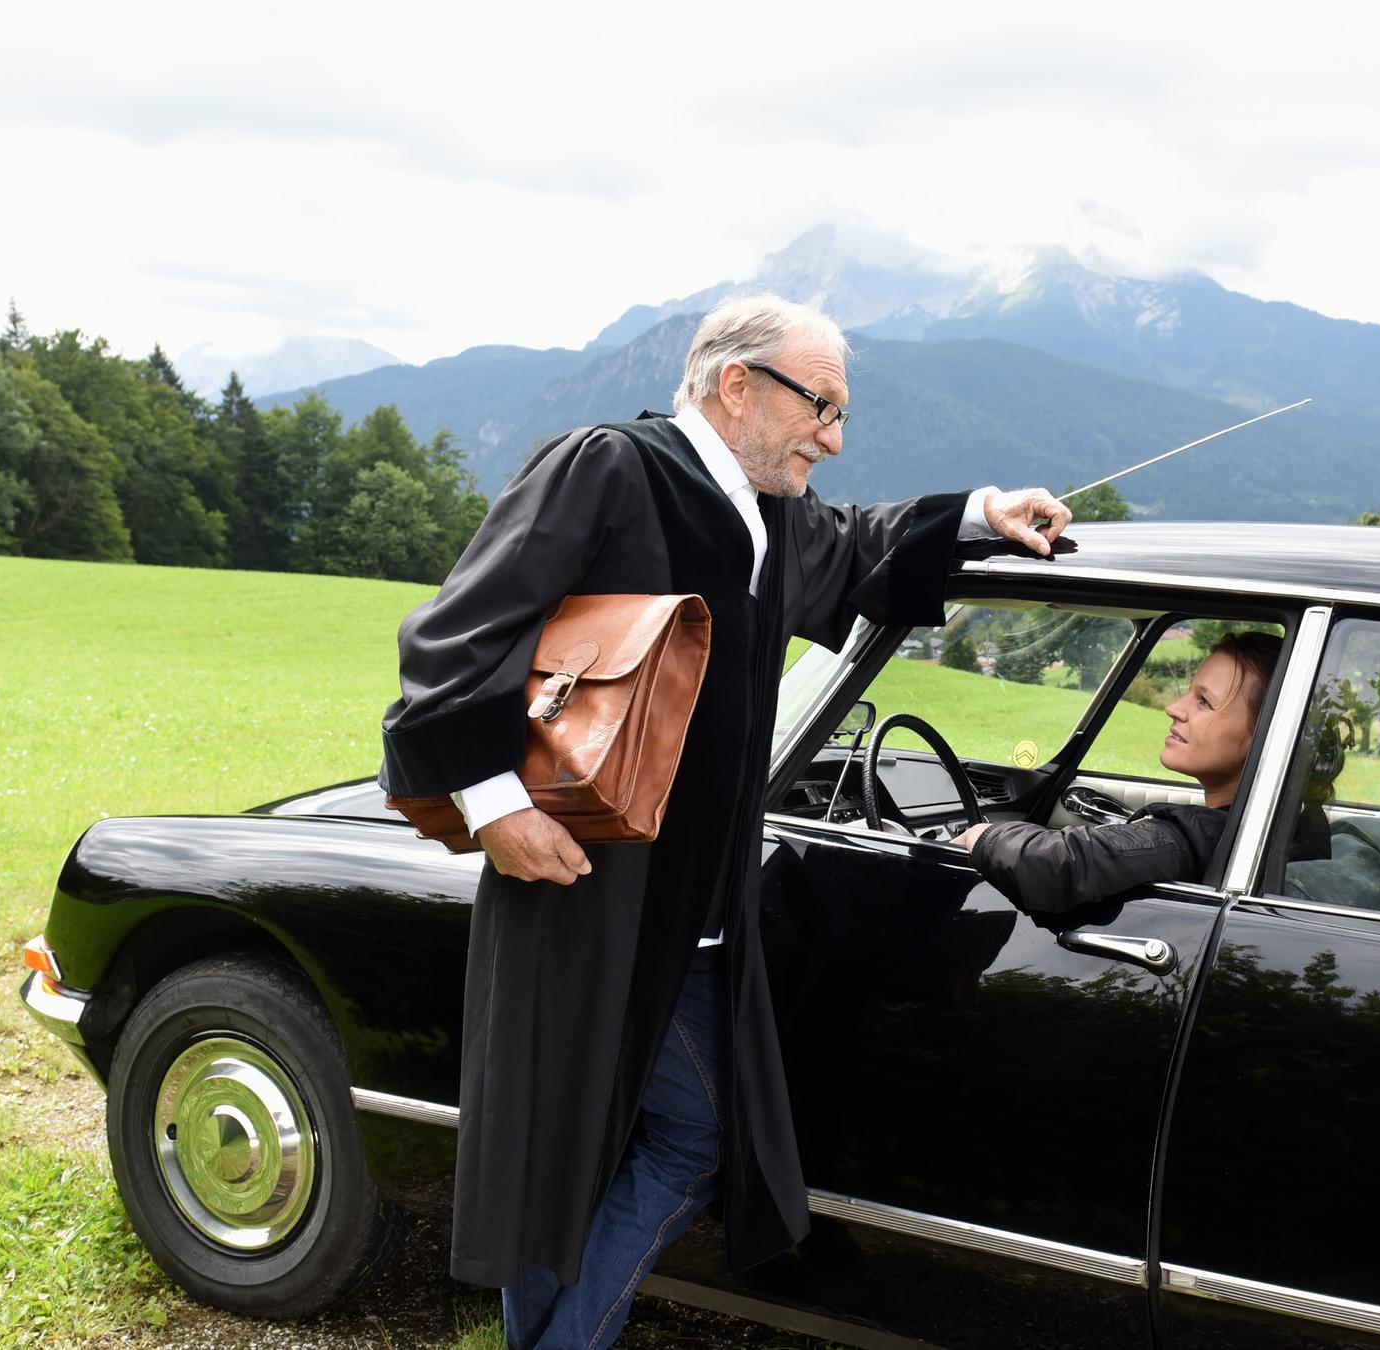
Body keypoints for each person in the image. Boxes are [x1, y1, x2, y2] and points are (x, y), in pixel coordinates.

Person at [377, 293, 1071, 1350]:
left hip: (701, 919)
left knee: (695, 1135)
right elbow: (455, 636)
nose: (832, 439)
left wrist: (982, 513)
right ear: (737, 385)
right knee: (554, 1145)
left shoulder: (767, 510)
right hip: (581, 886)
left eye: (840, 415)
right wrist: (495, 805)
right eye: (821, 408)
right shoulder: (610, 470)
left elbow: (859, 542)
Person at [953, 631, 1292, 910]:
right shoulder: (1287, 827)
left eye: (1204, 702)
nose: (1173, 708)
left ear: (1265, 736)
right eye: (1189, 692)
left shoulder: (1196, 837)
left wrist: (980, 836)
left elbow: (1055, 865)